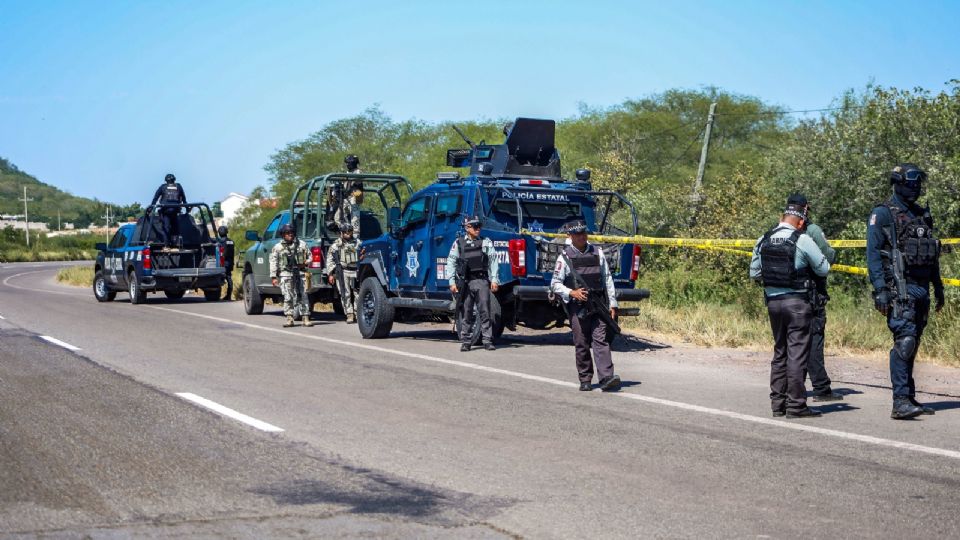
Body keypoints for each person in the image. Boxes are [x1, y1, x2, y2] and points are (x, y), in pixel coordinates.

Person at [867, 163, 945, 420]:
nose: (916, 186)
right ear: (898, 182)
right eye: (912, 182)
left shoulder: (921, 214)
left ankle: (909, 396)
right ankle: (899, 401)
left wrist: (938, 287)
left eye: (918, 182)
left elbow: (931, 255)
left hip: (922, 288)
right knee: (905, 341)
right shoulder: (883, 213)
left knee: (914, 343)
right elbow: (873, 256)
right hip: (900, 288)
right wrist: (880, 290)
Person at [750, 194, 830, 418]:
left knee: (780, 352)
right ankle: (796, 406)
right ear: (801, 221)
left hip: (773, 304)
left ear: (782, 216)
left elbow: (754, 273)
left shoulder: (763, 239)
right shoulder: (802, 239)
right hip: (797, 303)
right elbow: (824, 269)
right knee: (797, 354)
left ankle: (778, 405)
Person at [550, 219, 621, 392]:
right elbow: (555, 283)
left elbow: (607, 279)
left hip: (598, 304)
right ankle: (585, 378)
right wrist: (571, 292)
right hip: (578, 306)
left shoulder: (598, 252)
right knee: (581, 342)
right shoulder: (564, 257)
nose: (581, 236)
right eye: (577, 234)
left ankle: (606, 377)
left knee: (601, 339)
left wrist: (613, 303)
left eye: (583, 233)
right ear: (570, 236)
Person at [803, 209, 842, 402]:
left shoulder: (779, 231)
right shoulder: (813, 230)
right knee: (814, 341)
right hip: (812, 295)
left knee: (792, 343)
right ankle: (821, 388)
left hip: (786, 297)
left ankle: (791, 388)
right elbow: (829, 256)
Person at [447, 215, 500, 351]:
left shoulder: (485, 242)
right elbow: (451, 262)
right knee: (466, 312)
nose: (478, 229)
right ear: (467, 228)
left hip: (481, 280)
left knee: (485, 311)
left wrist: (494, 279)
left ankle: (487, 340)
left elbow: (493, 260)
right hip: (465, 282)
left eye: (479, 226)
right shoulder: (458, 243)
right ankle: (466, 341)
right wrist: (452, 281)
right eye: (475, 226)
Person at [270, 223, 312, 328]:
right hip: (286, 274)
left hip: (300, 273)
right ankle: (289, 318)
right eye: (287, 233)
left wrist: (305, 263)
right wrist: (273, 277)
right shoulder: (278, 247)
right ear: (283, 234)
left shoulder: (302, 244)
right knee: (288, 297)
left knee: (303, 295)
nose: (290, 235)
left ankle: (305, 317)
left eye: (292, 233)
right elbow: (273, 262)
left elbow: (310, 257)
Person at [325, 222, 362, 323]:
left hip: (355, 271)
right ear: (341, 233)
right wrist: (331, 274)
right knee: (345, 293)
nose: (348, 234)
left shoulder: (357, 242)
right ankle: (349, 314)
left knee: (358, 293)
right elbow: (330, 259)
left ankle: (358, 313)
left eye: (349, 232)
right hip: (343, 271)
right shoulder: (337, 244)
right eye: (345, 232)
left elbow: (364, 253)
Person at [149, 173, 187, 244]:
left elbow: (155, 198)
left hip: (166, 211)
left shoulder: (162, 187)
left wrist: (150, 208)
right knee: (176, 226)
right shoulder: (179, 186)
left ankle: (166, 245)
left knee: (166, 227)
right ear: (174, 180)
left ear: (166, 180)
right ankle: (177, 243)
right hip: (175, 210)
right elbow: (184, 199)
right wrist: (187, 208)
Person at [217, 225, 235, 301]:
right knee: (229, 278)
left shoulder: (220, 241)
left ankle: (219, 295)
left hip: (223, 263)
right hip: (230, 262)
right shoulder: (231, 241)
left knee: (219, 278)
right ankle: (229, 295)